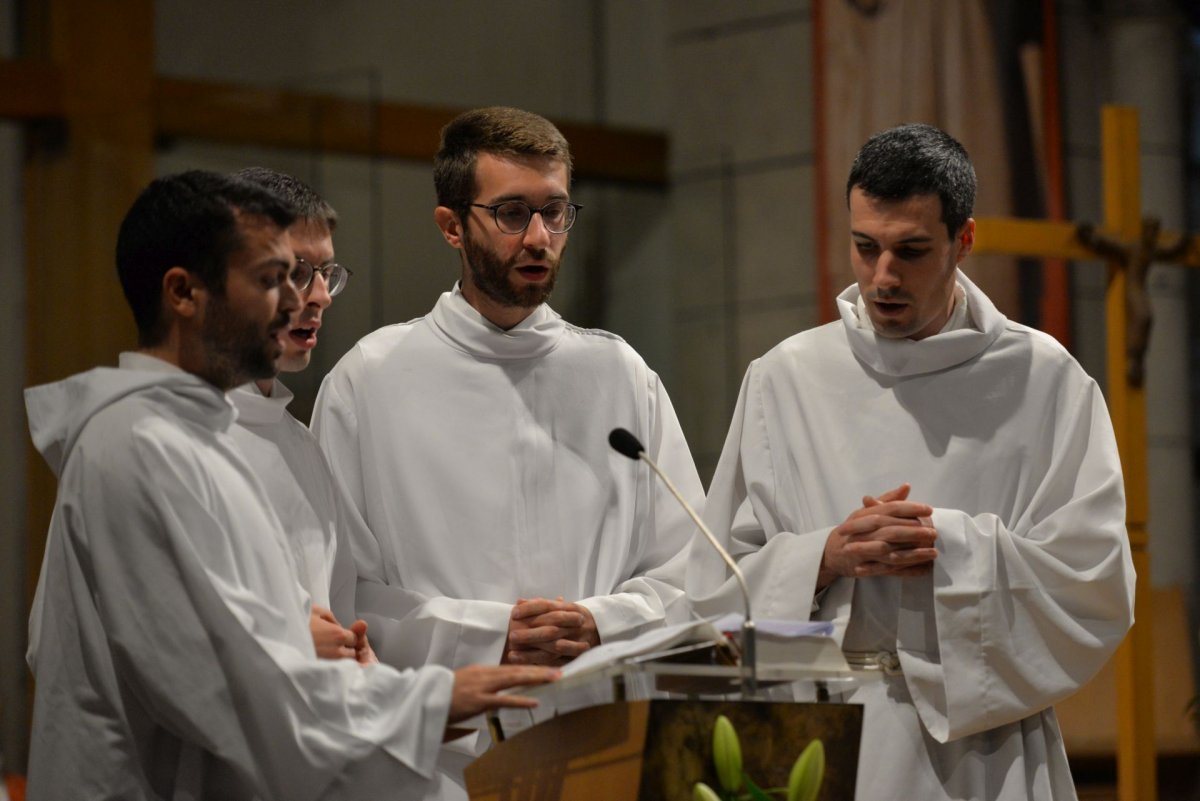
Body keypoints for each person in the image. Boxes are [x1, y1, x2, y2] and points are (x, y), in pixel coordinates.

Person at [24, 170, 556, 800]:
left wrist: (354, 665)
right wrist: (429, 697)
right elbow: (223, 683)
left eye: (311, 276)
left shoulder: (259, 443)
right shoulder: (140, 445)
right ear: (184, 293)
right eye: (274, 278)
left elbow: (277, 644)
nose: (308, 299)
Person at [686, 124, 1135, 800]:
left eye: (911, 251)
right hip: (824, 737)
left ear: (965, 240)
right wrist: (825, 556)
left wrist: (948, 545)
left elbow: (1095, 583)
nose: (882, 276)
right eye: (864, 247)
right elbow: (712, 587)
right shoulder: (786, 378)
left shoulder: (1046, 382)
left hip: (984, 750)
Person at [312, 106, 702, 792]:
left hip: (603, 746)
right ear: (451, 225)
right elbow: (344, 595)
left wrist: (596, 620)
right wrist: (494, 634)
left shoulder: (620, 375)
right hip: (439, 764)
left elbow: (693, 571)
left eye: (555, 212)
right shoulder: (370, 380)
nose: (540, 237)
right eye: (513, 213)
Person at [226, 167, 370, 662]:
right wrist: (287, 642)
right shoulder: (165, 437)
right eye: (297, 271)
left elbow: (340, 617)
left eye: (326, 273)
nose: (320, 297)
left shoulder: (303, 446)